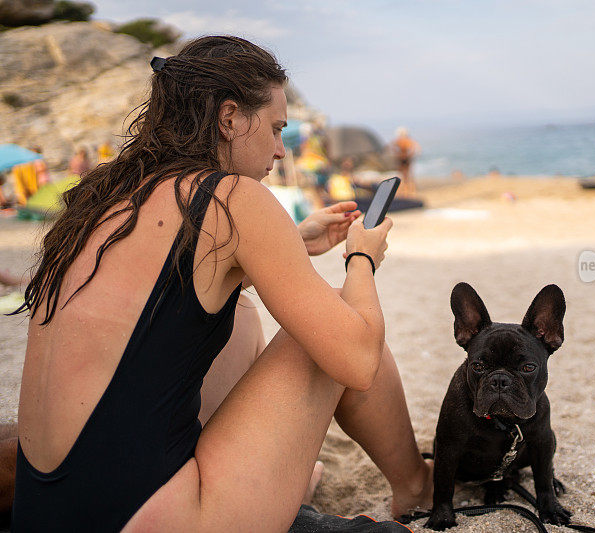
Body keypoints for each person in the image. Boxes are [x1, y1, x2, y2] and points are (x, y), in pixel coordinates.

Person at [9, 36, 431, 531]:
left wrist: (289, 244)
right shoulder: (234, 198)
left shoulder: (108, 194)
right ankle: (417, 486)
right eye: (275, 129)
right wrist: (361, 257)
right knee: (341, 321)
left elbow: (163, 289)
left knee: (243, 313)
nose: (278, 149)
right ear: (229, 118)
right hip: (148, 517)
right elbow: (357, 360)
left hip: (50, 510)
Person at [391, 127, 420, 197]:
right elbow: (416, 148)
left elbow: (392, 147)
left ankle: (407, 191)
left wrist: (399, 154)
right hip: (404, 158)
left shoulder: (400, 141)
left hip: (403, 158)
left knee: (405, 175)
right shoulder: (406, 141)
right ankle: (407, 191)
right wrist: (409, 155)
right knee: (406, 175)